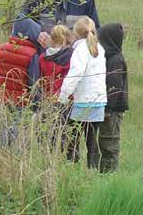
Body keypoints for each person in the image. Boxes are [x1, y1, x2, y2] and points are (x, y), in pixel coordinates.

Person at [0, 16, 42, 147]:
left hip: (1, 100)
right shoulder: (32, 54)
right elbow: (33, 83)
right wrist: (38, 104)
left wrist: (2, 84)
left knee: (1, 137)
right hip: (22, 103)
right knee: (19, 140)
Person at [59, 17, 107, 168]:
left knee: (72, 140)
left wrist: (63, 96)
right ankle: (93, 169)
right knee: (92, 141)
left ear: (76, 34)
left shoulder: (79, 50)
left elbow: (75, 75)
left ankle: (71, 168)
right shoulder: (100, 49)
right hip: (98, 101)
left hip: (82, 102)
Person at [98, 23, 128, 173]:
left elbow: (114, 89)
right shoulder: (109, 58)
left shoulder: (116, 60)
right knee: (104, 142)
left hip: (112, 111)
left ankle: (108, 175)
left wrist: (108, 109)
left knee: (110, 143)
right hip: (108, 109)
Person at [37, 25, 74, 147]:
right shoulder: (72, 56)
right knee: (65, 133)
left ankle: (47, 155)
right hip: (67, 100)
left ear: (51, 38)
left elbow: (40, 80)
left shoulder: (43, 58)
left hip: (48, 99)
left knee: (47, 132)